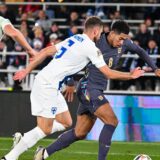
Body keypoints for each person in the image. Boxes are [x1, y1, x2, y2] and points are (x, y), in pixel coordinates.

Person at [1, 16, 144, 160]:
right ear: (95, 31)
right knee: (45, 128)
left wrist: (27, 70)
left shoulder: (75, 38)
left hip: (52, 84)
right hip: (47, 85)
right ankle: (11, 156)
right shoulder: (91, 48)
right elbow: (108, 73)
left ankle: (24, 142)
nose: (100, 36)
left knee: (66, 122)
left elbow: (45, 51)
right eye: (100, 33)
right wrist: (131, 75)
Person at [32, 20, 160, 160]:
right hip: (88, 88)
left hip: (95, 90)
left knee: (80, 133)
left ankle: (43, 153)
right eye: (120, 39)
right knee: (112, 121)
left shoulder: (125, 43)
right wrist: (69, 81)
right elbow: (73, 59)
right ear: (111, 33)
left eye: (125, 39)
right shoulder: (95, 43)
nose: (122, 42)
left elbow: (141, 51)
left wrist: (155, 68)